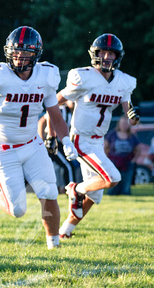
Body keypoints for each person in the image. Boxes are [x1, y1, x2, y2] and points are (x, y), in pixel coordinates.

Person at [0, 26, 77, 250]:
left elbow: (55, 115)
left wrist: (66, 140)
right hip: (3, 149)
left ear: (36, 54)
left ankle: (54, 245)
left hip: (33, 145)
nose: (20, 57)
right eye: (15, 52)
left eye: (25, 52)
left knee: (50, 191)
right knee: (18, 209)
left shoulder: (46, 76)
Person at [56, 33, 140, 239]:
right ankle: (76, 188)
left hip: (98, 141)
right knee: (112, 178)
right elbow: (55, 101)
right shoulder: (83, 76)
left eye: (111, 53)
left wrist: (133, 117)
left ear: (117, 56)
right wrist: (52, 129)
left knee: (95, 194)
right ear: (95, 53)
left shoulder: (123, 81)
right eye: (103, 52)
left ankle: (66, 231)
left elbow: (129, 115)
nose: (107, 57)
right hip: (81, 139)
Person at [104, 117, 140, 195]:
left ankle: (125, 193)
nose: (124, 125)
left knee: (126, 181)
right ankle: (112, 193)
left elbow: (138, 149)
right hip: (114, 161)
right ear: (119, 124)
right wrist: (106, 158)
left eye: (126, 124)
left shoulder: (132, 136)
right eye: (122, 123)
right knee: (114, 180)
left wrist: (133, 160)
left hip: (127, 162)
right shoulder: (112, 134)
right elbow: (105, 146)